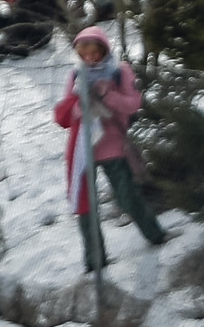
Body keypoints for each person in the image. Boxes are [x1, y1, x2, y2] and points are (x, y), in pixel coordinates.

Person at [55, 26, 166, 271]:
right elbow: (66, 109)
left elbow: (134, 104)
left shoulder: (119, 71)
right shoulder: (76, 75)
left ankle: (155, 234)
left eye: (95, 52)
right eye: (85, 53)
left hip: (113, 146)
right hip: (84, 149)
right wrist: (76, 110)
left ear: (104, 50)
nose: (90, 58)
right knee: (85, 206)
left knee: (127, 196)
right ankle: (95, 260)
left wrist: (108, 97)